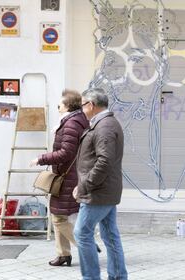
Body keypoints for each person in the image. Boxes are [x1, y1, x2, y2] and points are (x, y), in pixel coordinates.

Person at [73, 88, 128, 280]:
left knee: (81, 233)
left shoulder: (104, 126)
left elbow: (104, 162)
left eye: (82, 105)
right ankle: (118, 276)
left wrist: (84, 185)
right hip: (105, 190)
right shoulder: (105, 123)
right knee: (110, 236)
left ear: (91, 105)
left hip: (98, 193)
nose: (81, 109)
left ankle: (90, 277)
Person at [30, 90, 89, 266]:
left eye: (59, 104)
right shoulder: (73, 121)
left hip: (67, 177)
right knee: (60, 216)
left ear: (68, 105)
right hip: (66, 176)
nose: (58, 107)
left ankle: (87, 247)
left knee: (59, 217)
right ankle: (63, 255)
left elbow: (66, 153)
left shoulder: (72, 123)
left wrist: (42, 159)